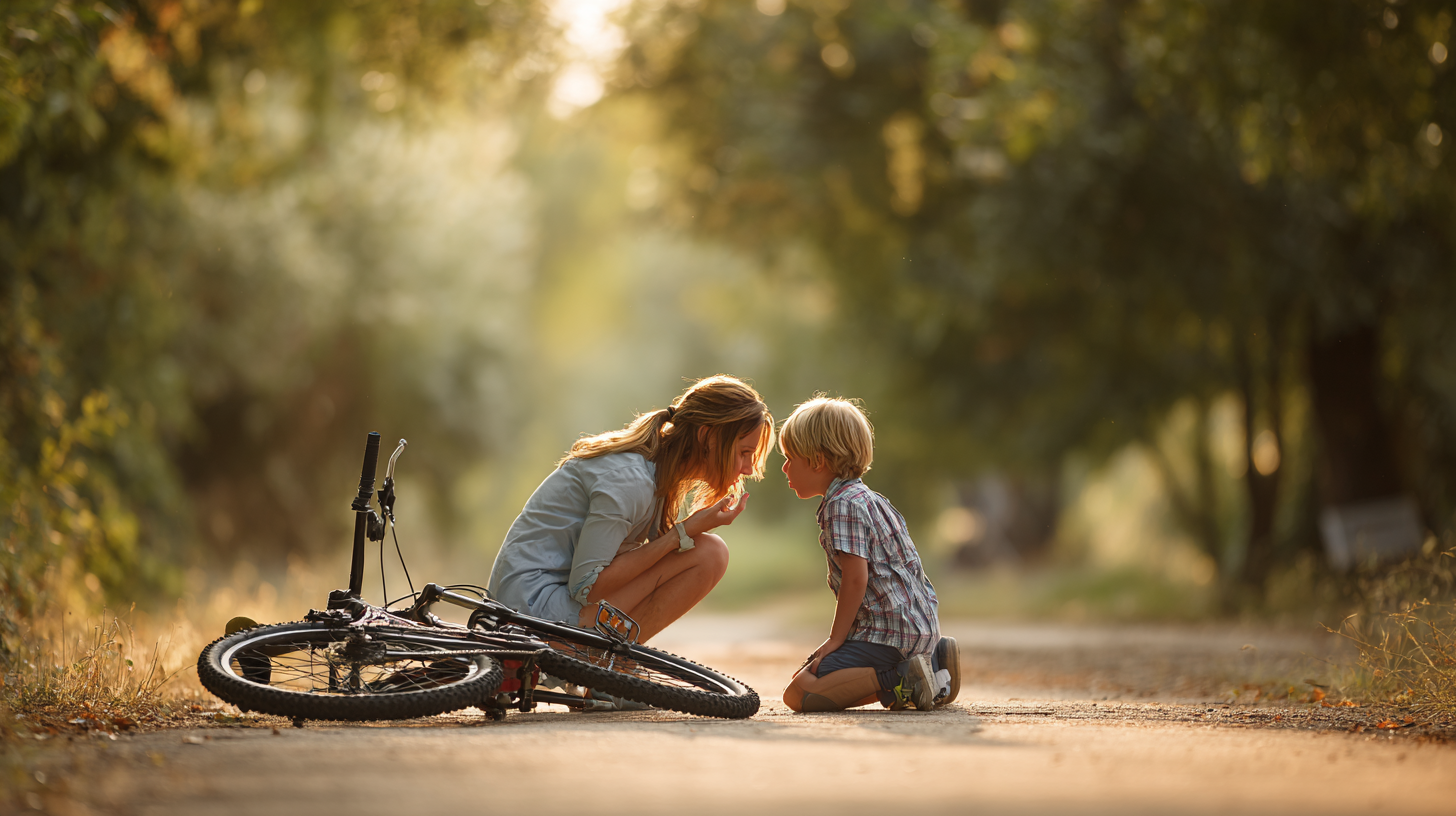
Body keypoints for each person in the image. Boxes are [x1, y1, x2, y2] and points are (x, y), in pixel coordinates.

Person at [488, 375, 773, 642]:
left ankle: (613, 667)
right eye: (743, 453)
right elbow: (588, 587)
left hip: (543, 604)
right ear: (707, 437)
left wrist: (682, 534)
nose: (748, 468)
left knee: (708, 553)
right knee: (710, 553)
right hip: (527, 613)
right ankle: (613, 667)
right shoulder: (631, 481)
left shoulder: (658, 474)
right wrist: (681, 533)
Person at [778, 396, 960, 712]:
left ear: (818, 461)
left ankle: (902, 677)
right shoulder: (871, 499)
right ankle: (932, 668)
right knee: (819, 681)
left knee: (800, 693)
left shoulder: (842, 505)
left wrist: (835, 640)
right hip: (918, 629)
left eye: (790, 458)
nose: (784, 467)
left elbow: (855, 579)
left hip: (889, 637)